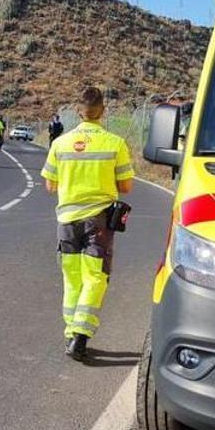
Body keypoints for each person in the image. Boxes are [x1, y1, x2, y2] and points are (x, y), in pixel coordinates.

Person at [41, 86, 134, 360]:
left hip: (67, 221)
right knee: (94, 277)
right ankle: (80, 337)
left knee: (72, 278)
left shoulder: (60, 144)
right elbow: (126, 186)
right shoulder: (115, 143)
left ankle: (71, 332)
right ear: (102, 111)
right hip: (99, 222)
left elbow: (50, 185)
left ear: (77, 111)